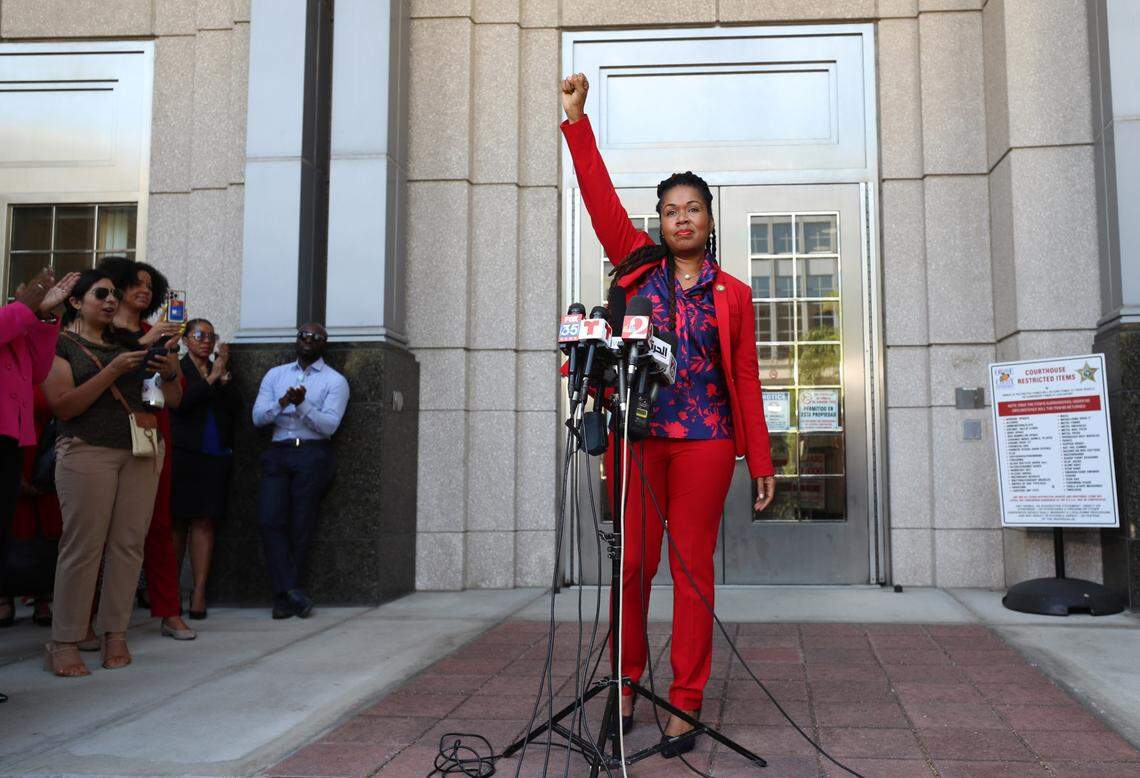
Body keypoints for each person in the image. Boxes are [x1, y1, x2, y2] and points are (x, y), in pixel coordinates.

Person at [559, 73, 777, 753]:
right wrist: (576, 122)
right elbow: (596, 197)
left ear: (710, 221)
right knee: (631, 568)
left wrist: (760, 458)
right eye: (671, 209)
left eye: (693, 209)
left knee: (691, 571)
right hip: (636, 436)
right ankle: (626, 686)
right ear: (659, 220)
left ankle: (685, 702)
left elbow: (745, 377)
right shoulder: (635, 267)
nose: (681, 219)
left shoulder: (733, 295)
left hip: (707, 443)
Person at [40, 269, 182, 676]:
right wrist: (113, 370)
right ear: (75, 302)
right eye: (100, 294)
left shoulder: (134, 344)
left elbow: (170, 399)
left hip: (139, 451)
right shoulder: (62, 344)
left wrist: (169, 368)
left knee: (128, 547)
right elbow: (63, 406)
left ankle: (114, 634)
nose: (110, 300)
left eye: (113, 295)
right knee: (83, 548)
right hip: (87, 452)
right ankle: (64, 640)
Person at [99, 257, 195, 640]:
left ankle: (169, 611)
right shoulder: (97, 331)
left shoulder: (158, 336)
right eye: (136, 284)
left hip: (152, 430)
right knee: (94, 531)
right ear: (117, 287)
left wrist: (171, 368)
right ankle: (85, 619)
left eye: (150, 287)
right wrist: (150, 337)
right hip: (101, 435)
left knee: (158, 525)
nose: (145, 291)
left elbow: (174, 399)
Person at [0, 268, 76, 699]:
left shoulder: (17, 319)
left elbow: (38, 369)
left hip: (10, 441)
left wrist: (46, 321)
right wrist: (27, 307)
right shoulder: (12, 316)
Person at [251, 323, 348, 619]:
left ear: (324, 344)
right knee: (270, 520)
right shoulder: (276, 375)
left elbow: (330, 426)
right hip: (278, 452)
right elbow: (257, 418)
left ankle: (283, 598)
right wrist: (282, 403)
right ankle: (292, 589)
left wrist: (302, 404)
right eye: (303, 336)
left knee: (301, 525)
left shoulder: (335, 381)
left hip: (312, 453)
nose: (308, 340)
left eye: (315, 337)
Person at [171, 318, 240, 620]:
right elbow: (181, 404)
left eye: (211, 336)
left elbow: (236, 407)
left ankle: (199, 591)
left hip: (215, 454)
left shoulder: (219, 369)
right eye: (199, 335)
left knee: (205, 523)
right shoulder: (176, 367)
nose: (206, 341)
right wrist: (211, 377)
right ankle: (169, 592)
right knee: (177, 523)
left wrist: (222, 379)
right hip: (184, 453)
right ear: (186, 340)